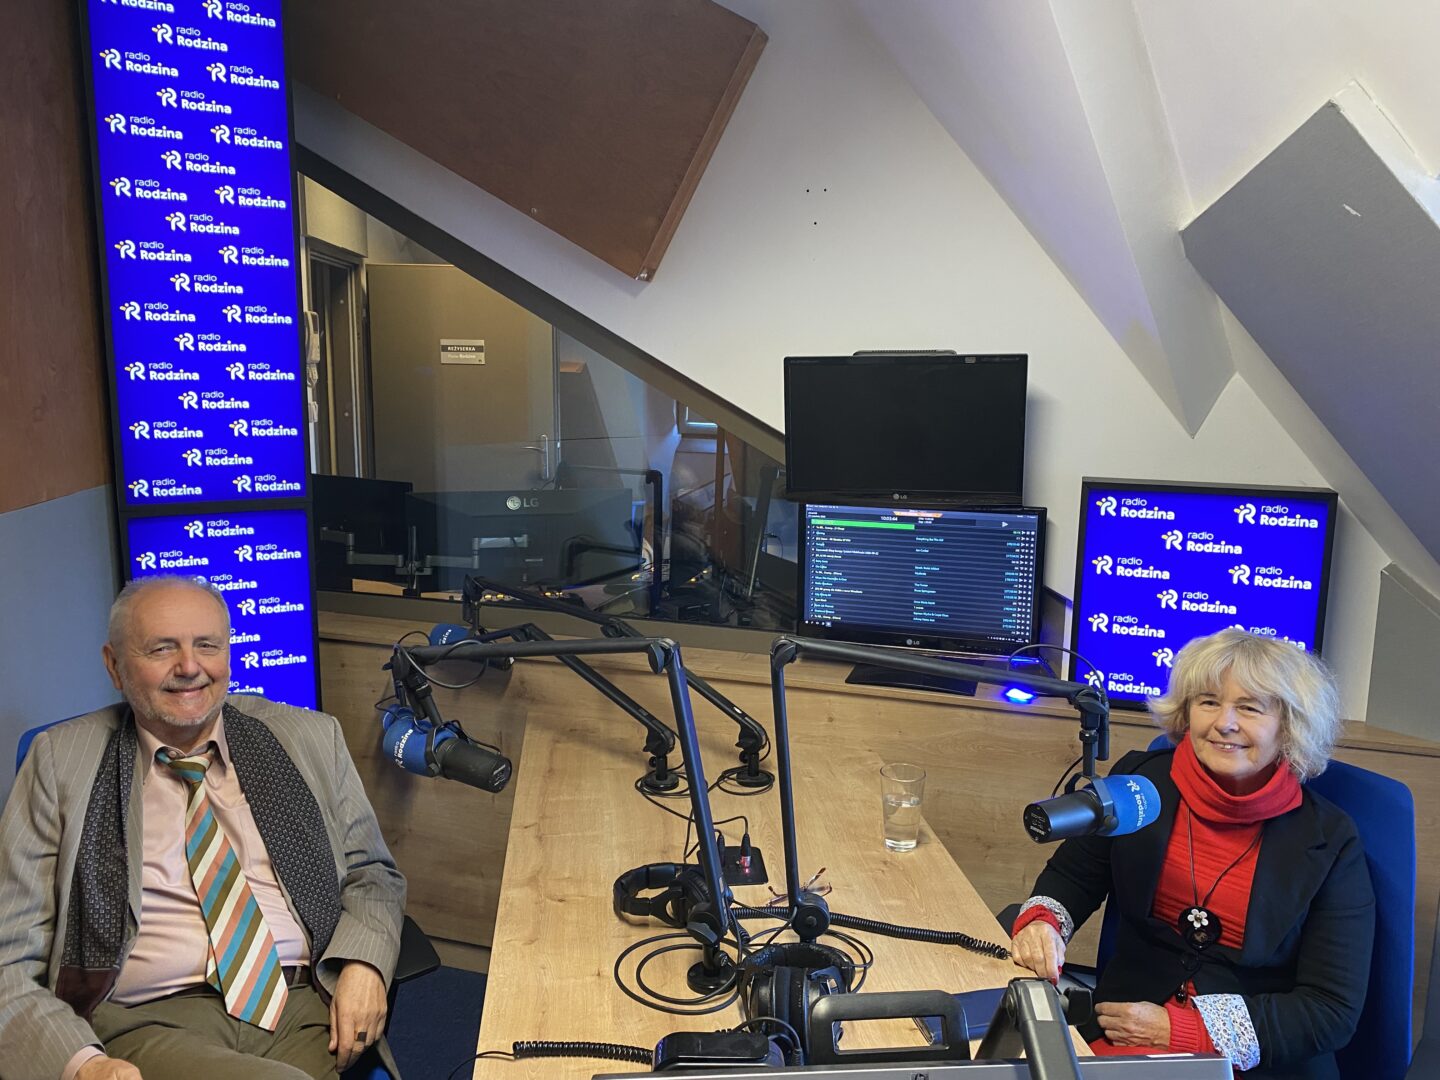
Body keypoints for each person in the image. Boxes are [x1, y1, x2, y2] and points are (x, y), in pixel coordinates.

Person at [0, 576, 407, 1080]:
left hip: (302, 1004)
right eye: (162, 648)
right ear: (114, 666)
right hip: (147, 1019)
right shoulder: (61, 761)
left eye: (207, 646)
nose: (190, 667)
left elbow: (373, 874)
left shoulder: (308, 737)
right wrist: (85, 1063)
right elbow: (9, 954)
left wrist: (364, 965)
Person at [1009, 628, 1374, 1080]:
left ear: (1289, 726)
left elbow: (1330, 1009)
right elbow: (1073, 877)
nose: (1224, 723)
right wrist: (1043, 923)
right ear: (1186, 712)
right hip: (1122, 1031)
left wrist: (1185, 1030)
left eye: (1249, 707)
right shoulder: (1139, 783)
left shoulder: (1331, 838)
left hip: (1258, 1061)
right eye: (1208, 702)